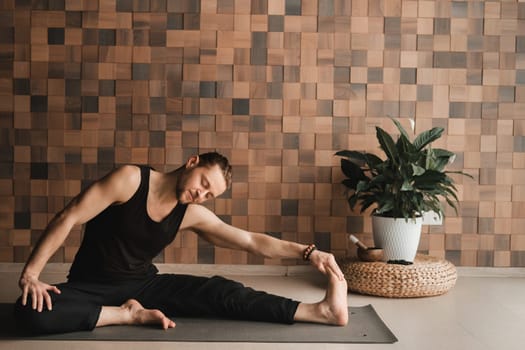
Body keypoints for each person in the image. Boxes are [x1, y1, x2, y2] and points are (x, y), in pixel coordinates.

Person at [14, 152, 348, 335]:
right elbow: (68, 216)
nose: (201, 194)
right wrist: (31, 273)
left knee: (223, 293)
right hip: (90, 286)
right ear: (192, 162)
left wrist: (307, 252)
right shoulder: (130, 180)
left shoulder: (190, 213)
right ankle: (125, 315)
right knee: (31, 313)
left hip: (145, 285)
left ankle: (319, 311)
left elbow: (250, 241)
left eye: (209, 194)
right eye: (203, 182)